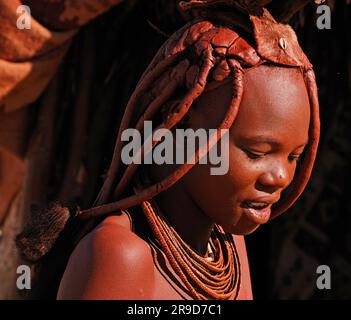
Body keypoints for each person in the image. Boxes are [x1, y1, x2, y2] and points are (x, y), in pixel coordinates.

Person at [17, 0, 320, 300]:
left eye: (294, 156)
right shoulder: (123, 255)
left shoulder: (227, 250)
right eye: (257, 152)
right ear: (177, 127)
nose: (280, 176)